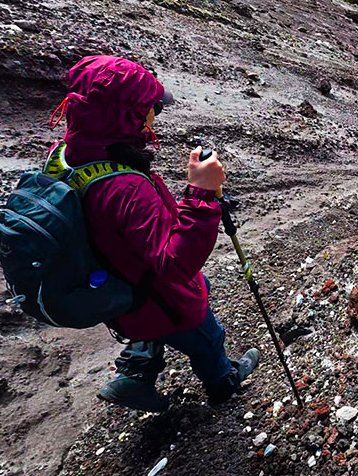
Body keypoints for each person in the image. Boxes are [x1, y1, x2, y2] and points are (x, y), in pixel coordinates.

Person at [48, 55, 259, 412]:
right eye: (152, 109)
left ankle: (136, 375)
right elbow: (175, 264)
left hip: (116, 285)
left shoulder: (66, 157)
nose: (154, 116)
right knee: (207, 335)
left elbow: (123, 227)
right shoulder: (124, 186)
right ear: (126, 115)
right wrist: (202, 194)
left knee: (151, 324)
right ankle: (223, 381)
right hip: (156, 292)